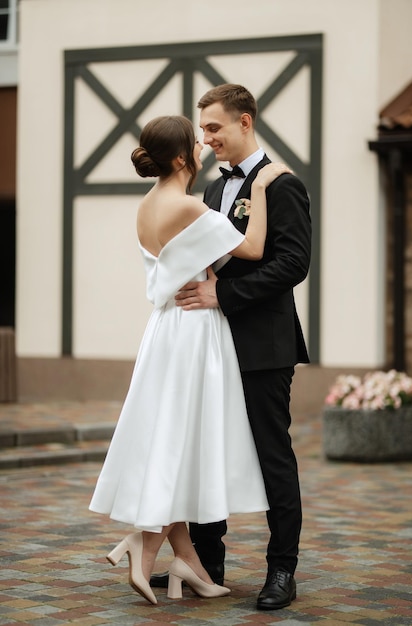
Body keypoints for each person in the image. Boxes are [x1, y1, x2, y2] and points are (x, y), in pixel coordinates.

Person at [89, 114, 291, 605]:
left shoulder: (146, 206)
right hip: (195, 329)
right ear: (181, 158)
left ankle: (190, 563)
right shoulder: (187, 206)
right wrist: (261, 189)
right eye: (195, 143)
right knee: (184, 443)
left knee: (172, 438)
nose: (203, 147)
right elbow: (255, 248)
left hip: (162, 329)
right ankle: (147, 541)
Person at [152, 84, 311, 610]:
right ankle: (206, 562)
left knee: (273, 456)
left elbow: (292, 264)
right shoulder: (215, 191)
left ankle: (282, 570)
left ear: (245, 122)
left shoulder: (283, 184)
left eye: (215, 128)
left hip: (264, 346)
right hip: (209, 346)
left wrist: (224, 294)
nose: (208, 139)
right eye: (203, 131)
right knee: (205, 451)